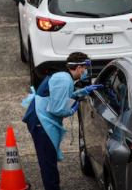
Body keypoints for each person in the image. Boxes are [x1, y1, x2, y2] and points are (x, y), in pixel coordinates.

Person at [21, 53, 102, 190]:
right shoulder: (64, 79)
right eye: (85, 68)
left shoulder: (63, 76)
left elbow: (63, 97)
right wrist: (72, 110)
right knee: (48, 163)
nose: (86, 71)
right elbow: (57, 109)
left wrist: (83, 91)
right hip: (41, 121)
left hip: (42, 120)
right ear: (78, 68)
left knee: (49, 161)